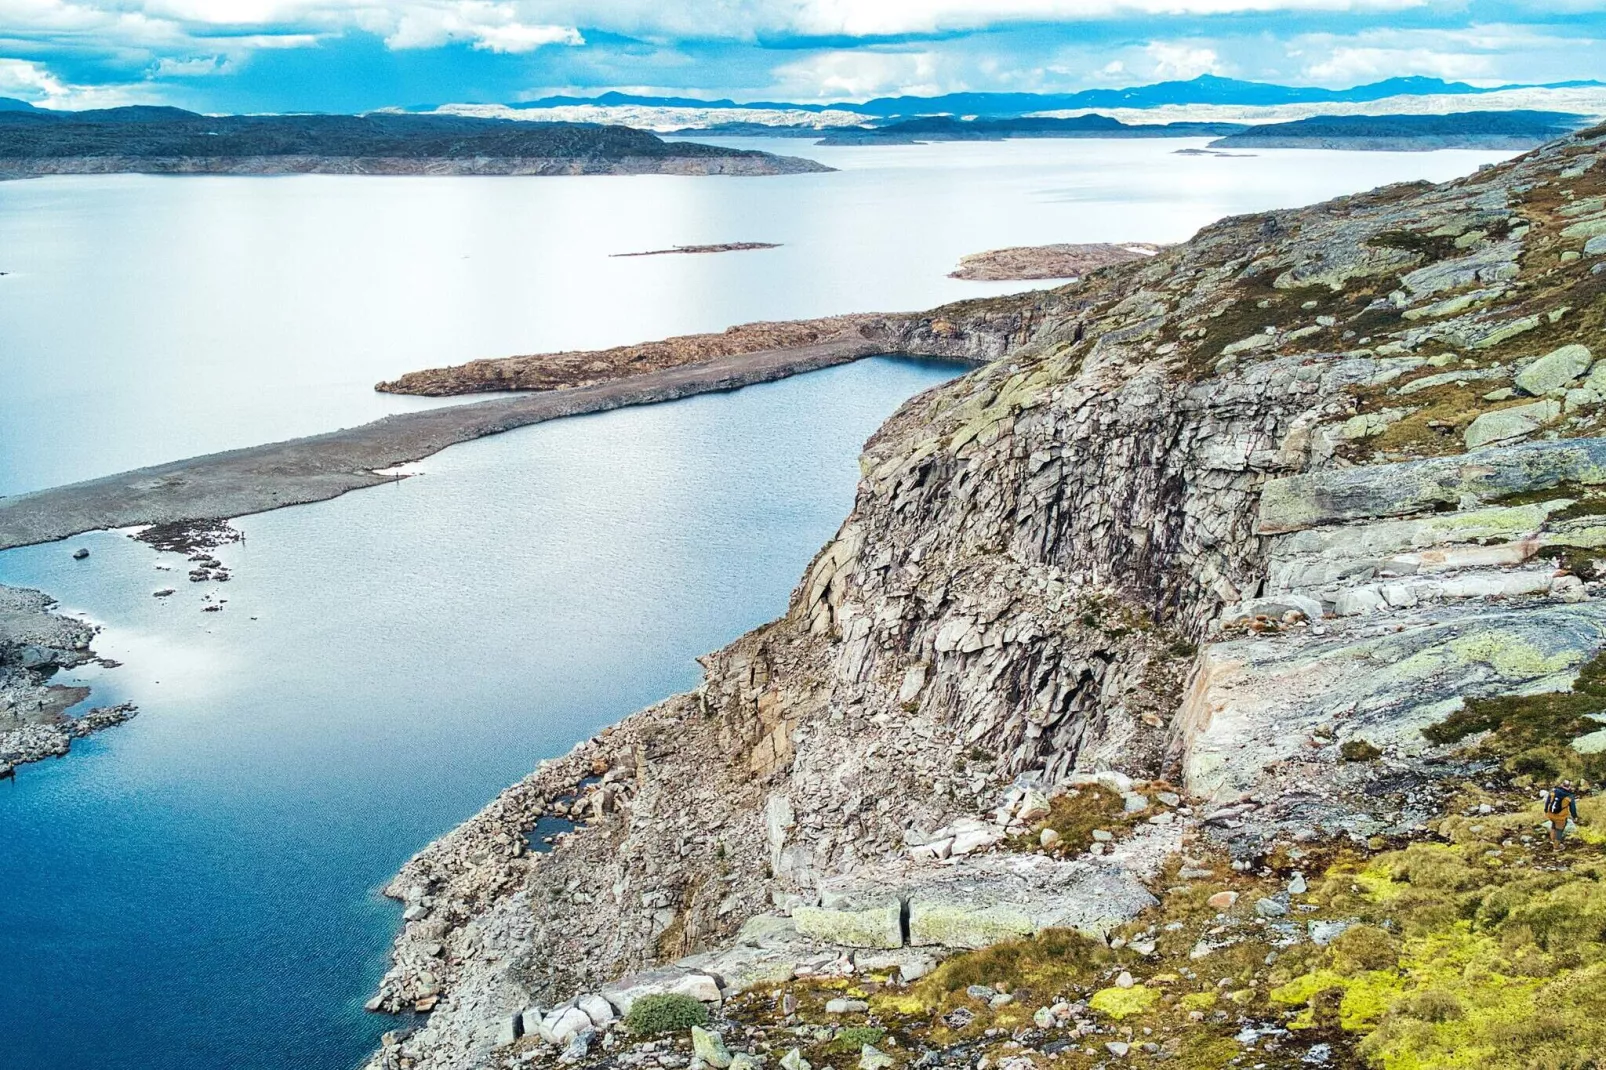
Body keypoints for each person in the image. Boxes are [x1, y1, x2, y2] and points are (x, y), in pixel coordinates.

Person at [1542, 780, 1581, 845]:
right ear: (1569, 786)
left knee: (1553, 826)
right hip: (1561, 816)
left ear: (1562, 785)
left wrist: (1546, 810)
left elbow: (1547, 801)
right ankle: (1556, 847)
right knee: (1559, 830)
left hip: (1551, 814)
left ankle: (1552, 841)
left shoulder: (1554, 791)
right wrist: (1575, 816)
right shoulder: (1569, 796)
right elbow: (1572, 808)